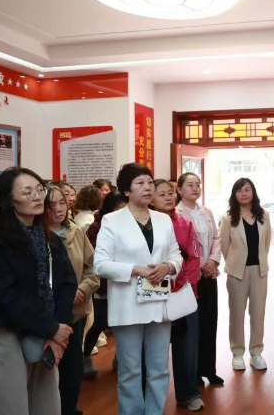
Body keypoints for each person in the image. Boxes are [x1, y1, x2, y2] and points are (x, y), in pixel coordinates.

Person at [0, 167, 77, 415]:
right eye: (27, 192)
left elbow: (66, 283)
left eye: (40, 190)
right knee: (11, 405)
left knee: (47, 405)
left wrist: (58, 329)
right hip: (11, 333)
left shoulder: (50, 239)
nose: (37, 196)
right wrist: (52, 328)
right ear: (9, 200)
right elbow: (6, 296)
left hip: (48, 334)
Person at [94, 163, 182, 414]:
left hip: (158, 301)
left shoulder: (163, 219)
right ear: (126, 190)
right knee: (130, 370)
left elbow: (176, 255)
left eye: (150, 182)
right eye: (140, 183)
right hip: (128, 304)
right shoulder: (112, 220)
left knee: (159, 368)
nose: (147, 188)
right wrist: (137, 270)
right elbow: (100, 264)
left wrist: (168, 266)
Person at [44, 185, 99, 415]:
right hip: (46, 316)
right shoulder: (34, 234)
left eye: (62, 202)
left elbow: (92, 268)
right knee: (46, 371)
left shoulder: (76, 231)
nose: (59, 209)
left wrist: (82, 290)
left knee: (73, 370)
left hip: (74, 312)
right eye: (51, 204)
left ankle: (69, 409)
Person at [152, 179, 204, 411]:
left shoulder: (184, 222)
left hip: (182, 290)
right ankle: (153, 398)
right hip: (153, 291)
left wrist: (187, 286)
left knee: (186, 346)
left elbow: (193, 258)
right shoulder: (146, 223)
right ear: (151, 198)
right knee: (156, 348)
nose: (168, 197)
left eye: (171, 193)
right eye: (162, 194)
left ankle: (187, 393)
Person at [176, 173, 224, 385]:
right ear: (179, 190)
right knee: (192, 326)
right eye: (190, 185)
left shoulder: (207, 211)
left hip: (209, 274)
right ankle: (194, 372)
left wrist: (213, 261)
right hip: (190, 276)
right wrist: (202, 263)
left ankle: (209, 369)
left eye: (198, 184)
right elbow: (184, 245)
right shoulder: (176, 214)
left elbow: (216, 238)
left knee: (209, 322)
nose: (195, 188)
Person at [220, 178, 271, 371]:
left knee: (258, 314)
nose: (244, 193)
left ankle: (256, 352)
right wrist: (234, 263)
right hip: (237, 272)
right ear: (235, 194)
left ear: (253, 192)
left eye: (247, 189)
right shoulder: (228, 217)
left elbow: (266, 244)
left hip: (259, 271)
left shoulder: (264, 215)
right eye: (240, 190)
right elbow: (224, 245)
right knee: (237, 314)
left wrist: (259, 261)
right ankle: (238, 353)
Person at [83, 191, 127, 378]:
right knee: (99, 322)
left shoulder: (131, 225)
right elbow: (93, 258)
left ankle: (120, 357)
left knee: (123, 323)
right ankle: (85, 356)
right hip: (103, 285)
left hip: (125, 282)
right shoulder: (96, 227)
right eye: (119, 210)